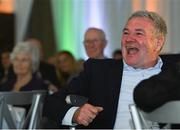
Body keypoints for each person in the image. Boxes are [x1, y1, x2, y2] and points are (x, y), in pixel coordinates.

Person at [43, 10, 169, 129]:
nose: (129, 39)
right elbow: (50, 102)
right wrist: (75, 114)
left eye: (138, 33)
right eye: (126, 33)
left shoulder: (174, 72)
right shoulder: (100, 71)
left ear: (158, 43)